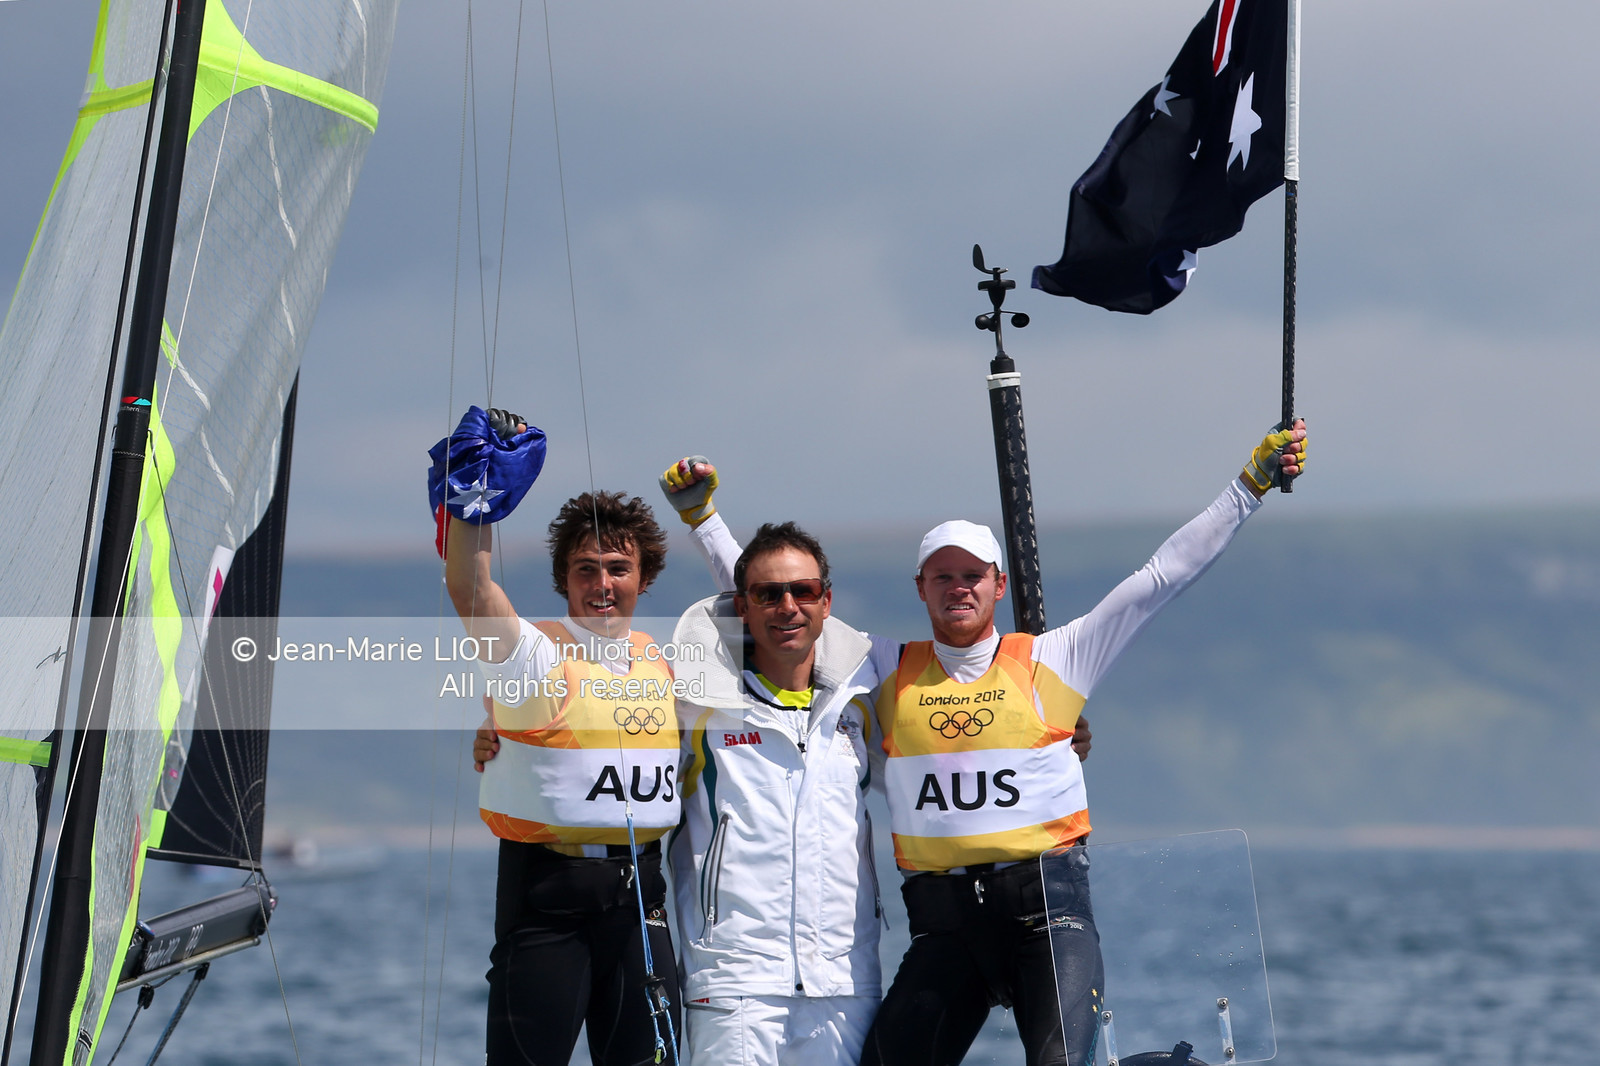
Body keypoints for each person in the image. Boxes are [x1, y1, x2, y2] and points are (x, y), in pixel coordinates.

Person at [662, 419, 1307, 1066]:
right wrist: (704, 519)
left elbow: (1163, 575)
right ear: (921, 589)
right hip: (946, 929)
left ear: (999, 585)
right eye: (942, 577)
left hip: (1047, 921)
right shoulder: (881, 666)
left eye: (974, 574)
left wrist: (1249, 484)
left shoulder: (1058, 658)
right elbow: (777, 605)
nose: (958, 586)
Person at [436, 405, 682, 1066]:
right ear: (564, 579)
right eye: (586, 569)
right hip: (548, 907)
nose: (602, 584)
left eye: (617, 569)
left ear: (644, 577)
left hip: (642, 908)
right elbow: (470, 585)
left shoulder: (671, 666)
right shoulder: (535, 657)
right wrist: (472, 503)